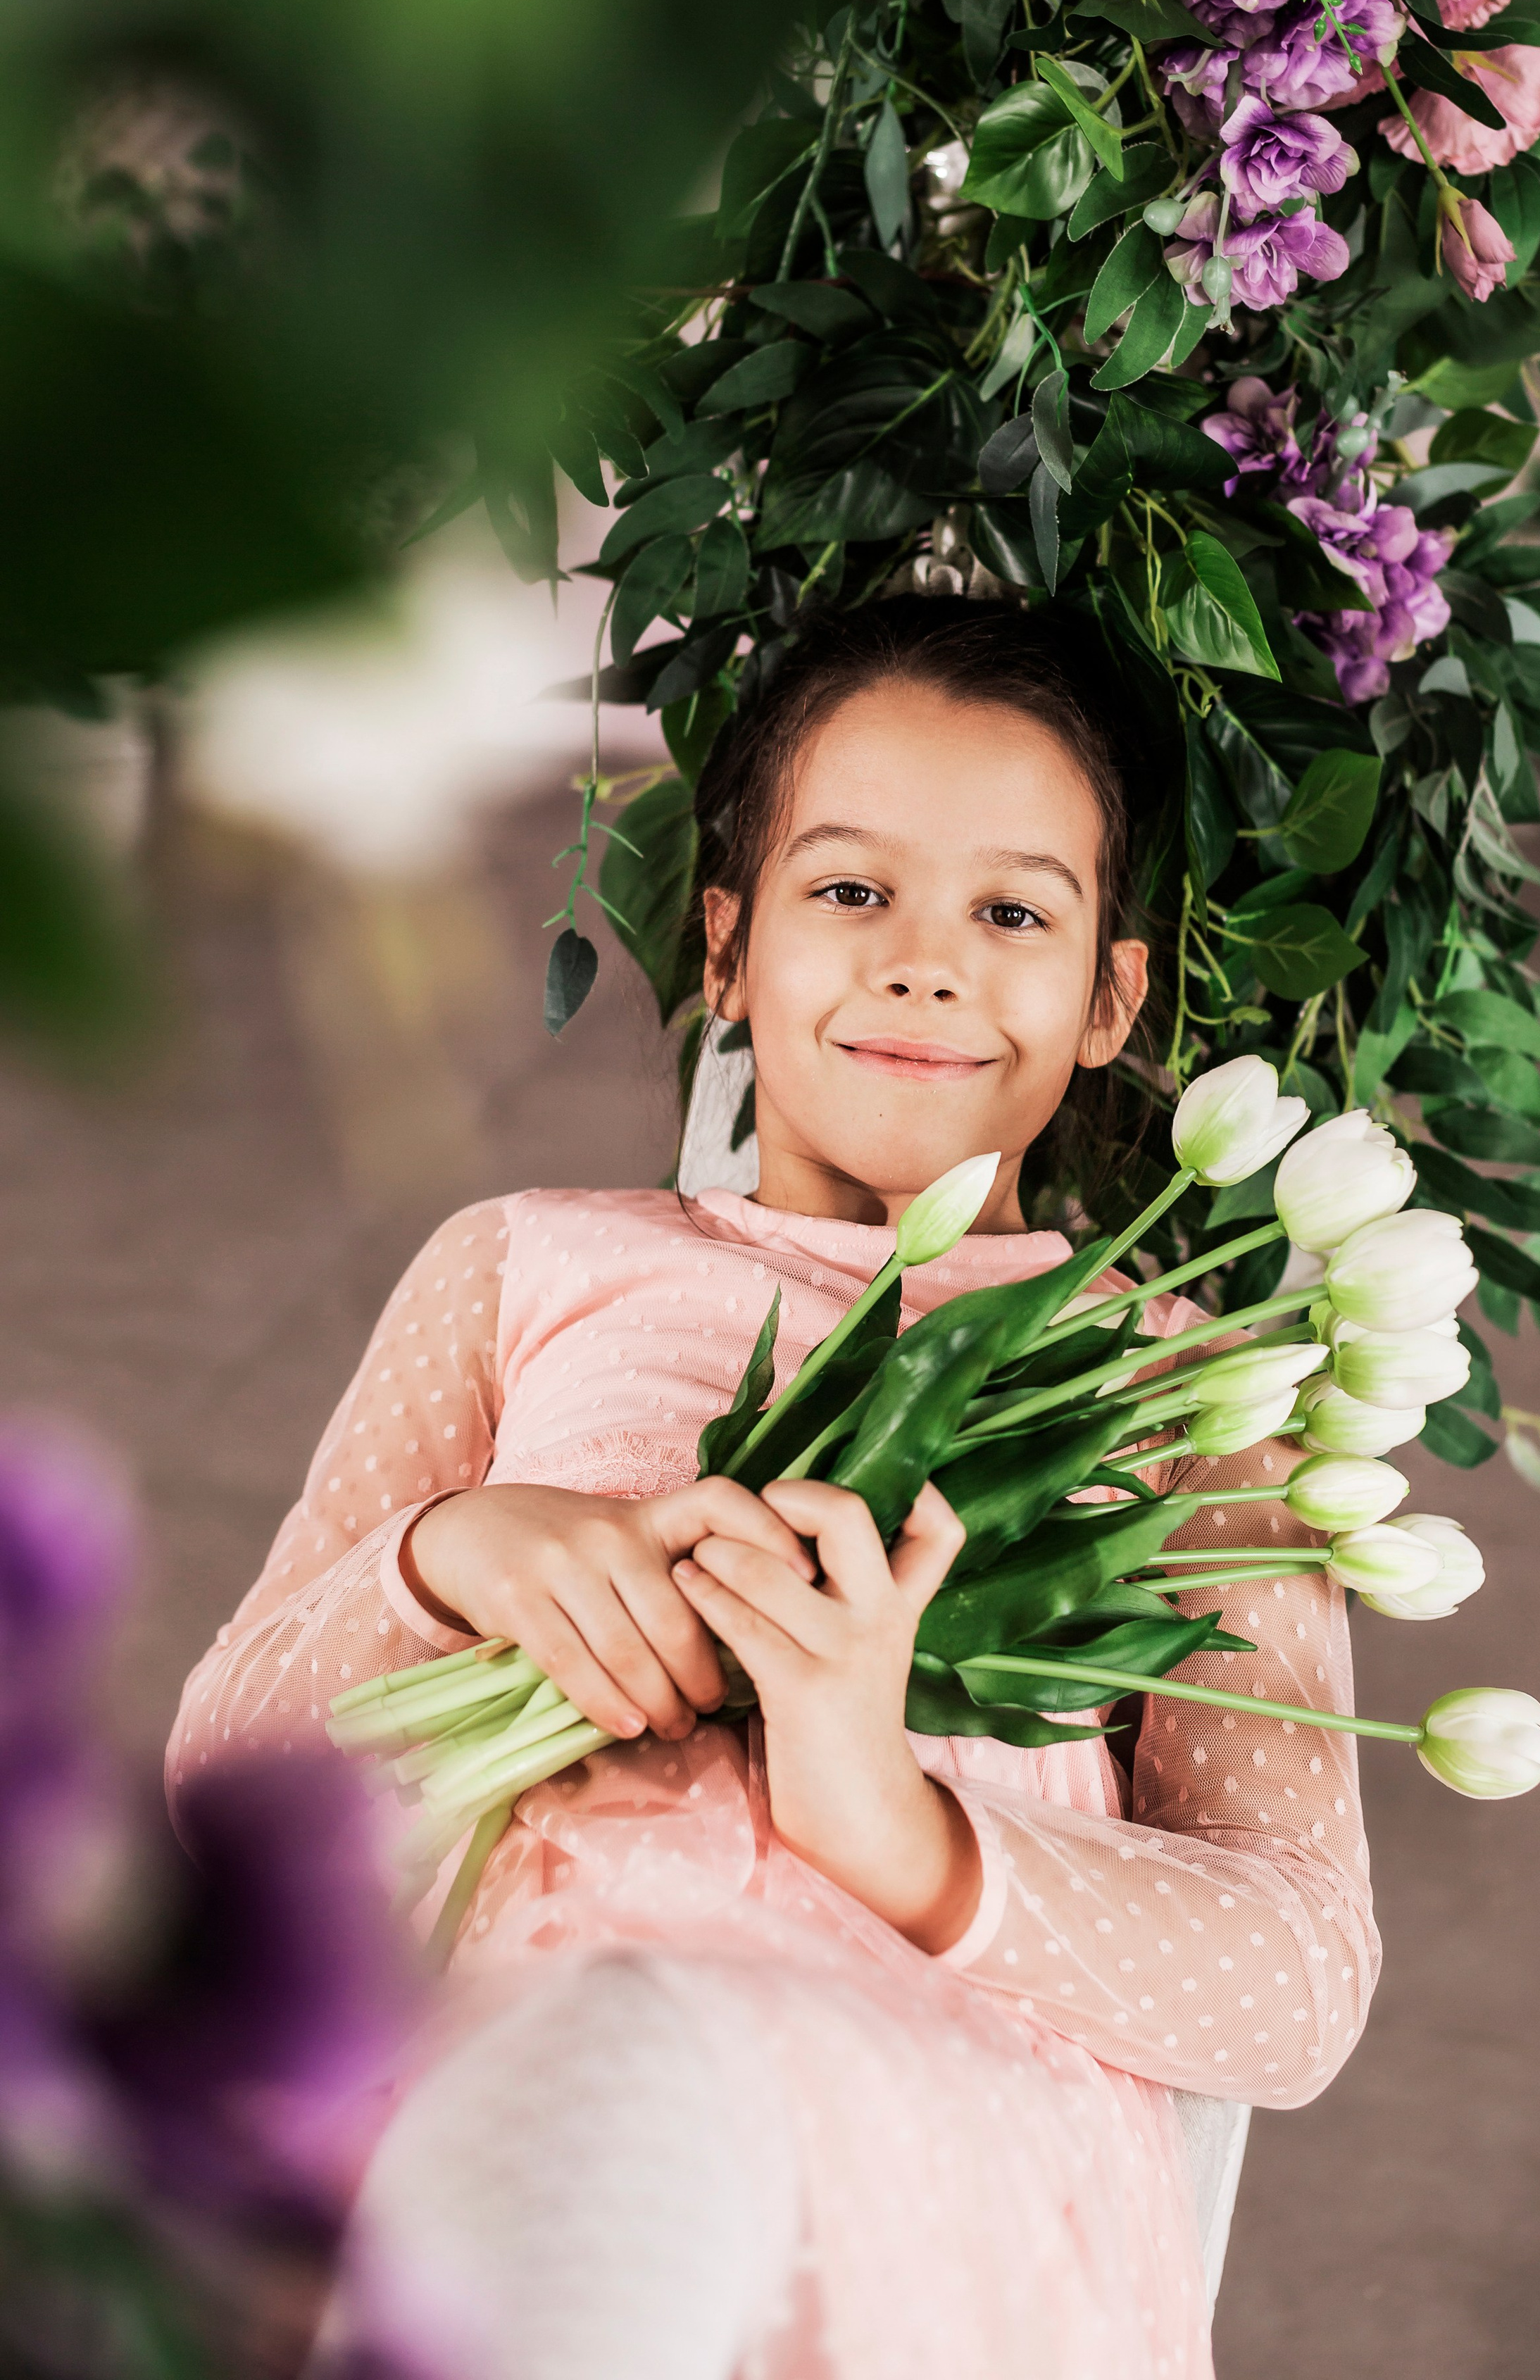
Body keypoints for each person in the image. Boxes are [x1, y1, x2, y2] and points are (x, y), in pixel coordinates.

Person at [166, 598, 1379, 2380]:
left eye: (1013, 912)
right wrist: (446, 1561)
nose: (922, 964)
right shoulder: (529, 1263)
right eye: (848, 892)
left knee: (632, 2063)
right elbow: (226, 1789)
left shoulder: (1182, 1385)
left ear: (1107, 997)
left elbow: (1293, 1987)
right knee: (596, 2060)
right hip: (520, 2045)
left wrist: (890, 1821)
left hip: (931, 2130)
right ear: (725, 948)